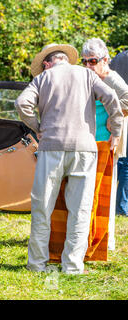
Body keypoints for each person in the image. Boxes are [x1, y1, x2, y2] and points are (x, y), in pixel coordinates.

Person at [15, 43, 124, 274]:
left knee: (42, 207)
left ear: (47, 62)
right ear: (66, 59)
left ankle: (36, 264)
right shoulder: (87, 74)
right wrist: (116, 130)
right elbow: (112, 98)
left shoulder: (42, 79)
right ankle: (72, 266)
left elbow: (21, 103)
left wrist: (37, 126)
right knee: (80, 209)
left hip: (51, 148)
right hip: (84, 149)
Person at [81, 39, 128, 252]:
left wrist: (115, 115)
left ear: (105, 61)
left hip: (108, 142)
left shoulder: (111, 78)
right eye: (85, 61)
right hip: (87, 141)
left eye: (93, 61)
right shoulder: (86, 78)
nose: (89, 65)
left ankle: (105, 241)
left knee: (106, 194)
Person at [109, 49, 128, 218]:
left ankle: (116, 202)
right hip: (125, 112)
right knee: (125, 162)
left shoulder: (118, 57)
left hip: (114, 112)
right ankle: (122, 206)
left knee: (120, 160)